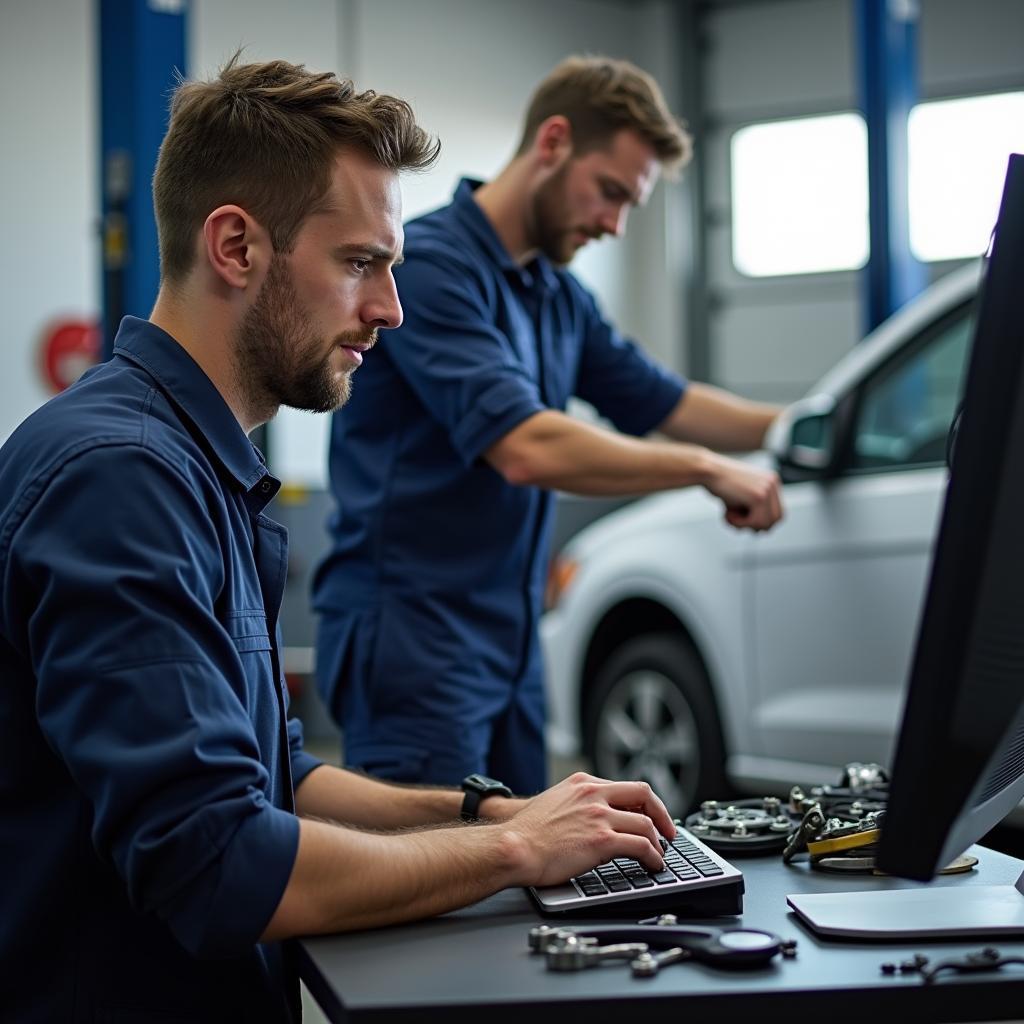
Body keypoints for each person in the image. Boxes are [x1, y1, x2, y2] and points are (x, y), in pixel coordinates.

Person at [0, 57, 678, 1024]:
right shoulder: (121, 479)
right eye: (361, 262)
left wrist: (491, 811)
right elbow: (222, 863)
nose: (390, 309)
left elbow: (283, 775)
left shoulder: (196, 467)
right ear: (235, 246)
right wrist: (516, 854)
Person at [313, 55, 784, 796]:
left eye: (630, 205)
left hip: (510, 643)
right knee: (431, 879)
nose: (614, 223)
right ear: (554, 141)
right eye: (609, 193)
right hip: (416, 642)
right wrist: (704, 469)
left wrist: (818, 420)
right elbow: (528, 447)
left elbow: (665, 400)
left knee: (525, 872)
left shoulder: (557, 296)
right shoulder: (432, 270)